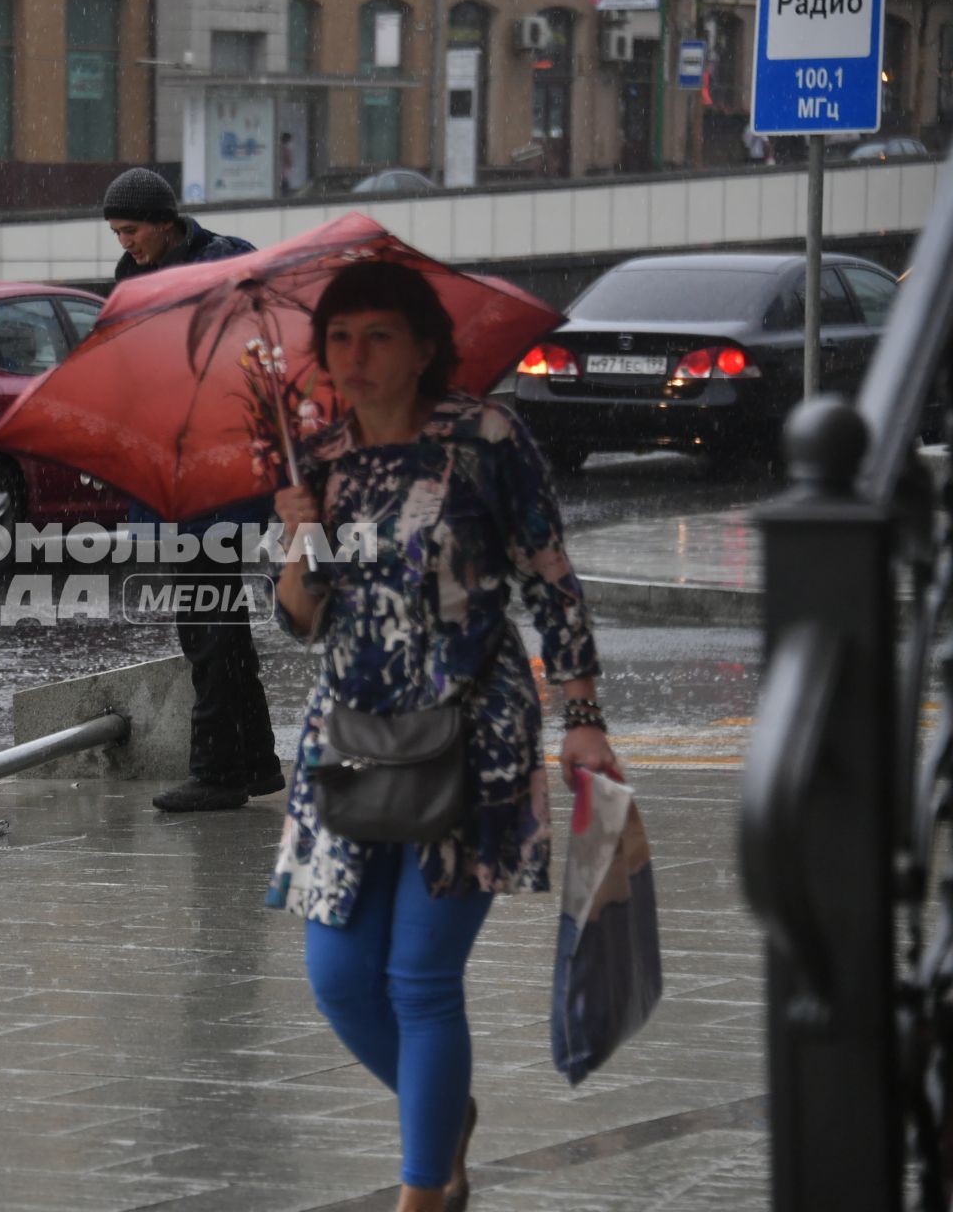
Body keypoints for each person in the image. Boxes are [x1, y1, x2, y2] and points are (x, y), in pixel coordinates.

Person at [268, 259, 616, 1212]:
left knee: (420, 977)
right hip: (350, 732)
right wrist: (299, 538)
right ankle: (445, 1116)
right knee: (339, 976)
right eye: (339, 340)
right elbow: (299, 619)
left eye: (378, 336)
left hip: (474, 730)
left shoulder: (487, 437)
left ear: (425, 346)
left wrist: (582, 717)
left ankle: (425, 1191)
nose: (356, 357)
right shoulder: (317, 460)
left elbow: (552, 577)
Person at [103, 166, 283, 813]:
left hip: (221, 473)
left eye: (132, 230)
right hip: (171, 472)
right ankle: (252, 764)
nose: (125, 243)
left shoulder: (223, 261)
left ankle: (218, 771)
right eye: (117, 232)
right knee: (212, 622)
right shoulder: (132, 279)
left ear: (164, 222)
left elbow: (261, 352)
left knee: (211, 621)